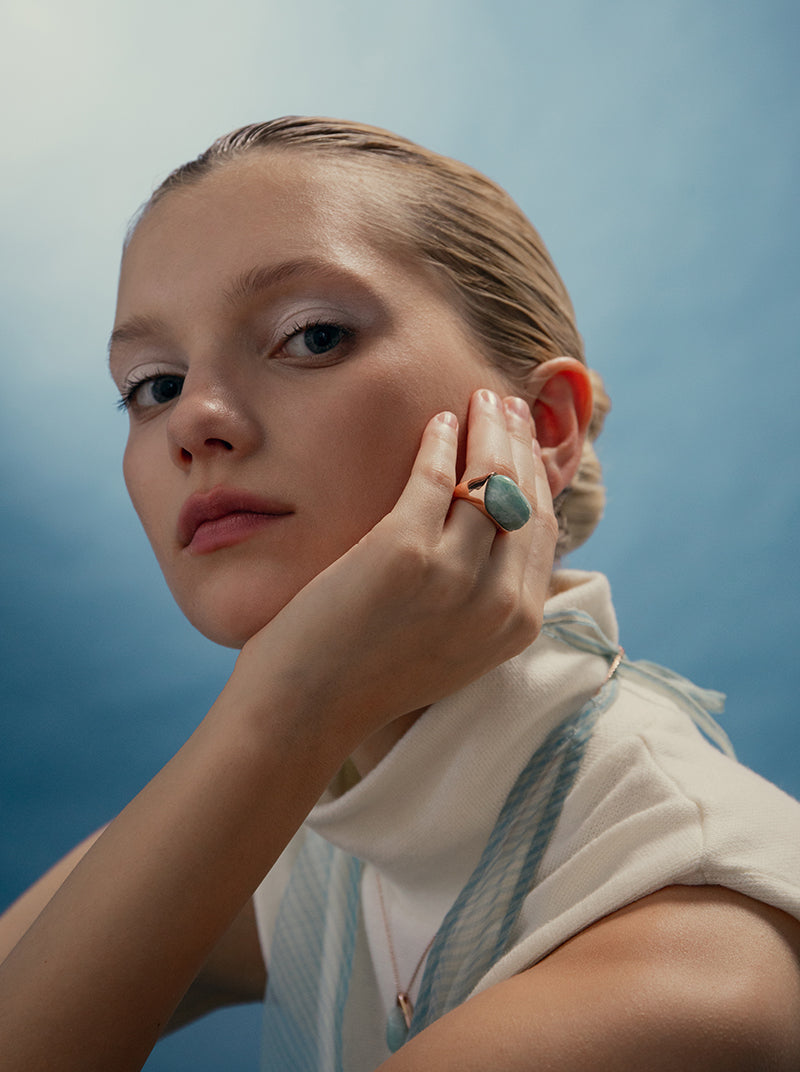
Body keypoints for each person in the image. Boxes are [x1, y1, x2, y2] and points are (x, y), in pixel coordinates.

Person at [1, 116, 799, 1072]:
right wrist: (289, 715)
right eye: (153, 384)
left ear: (544, 429)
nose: (196, 421)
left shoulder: (694, 967)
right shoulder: (333, 816)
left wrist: (286, 708)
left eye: (314, 335)